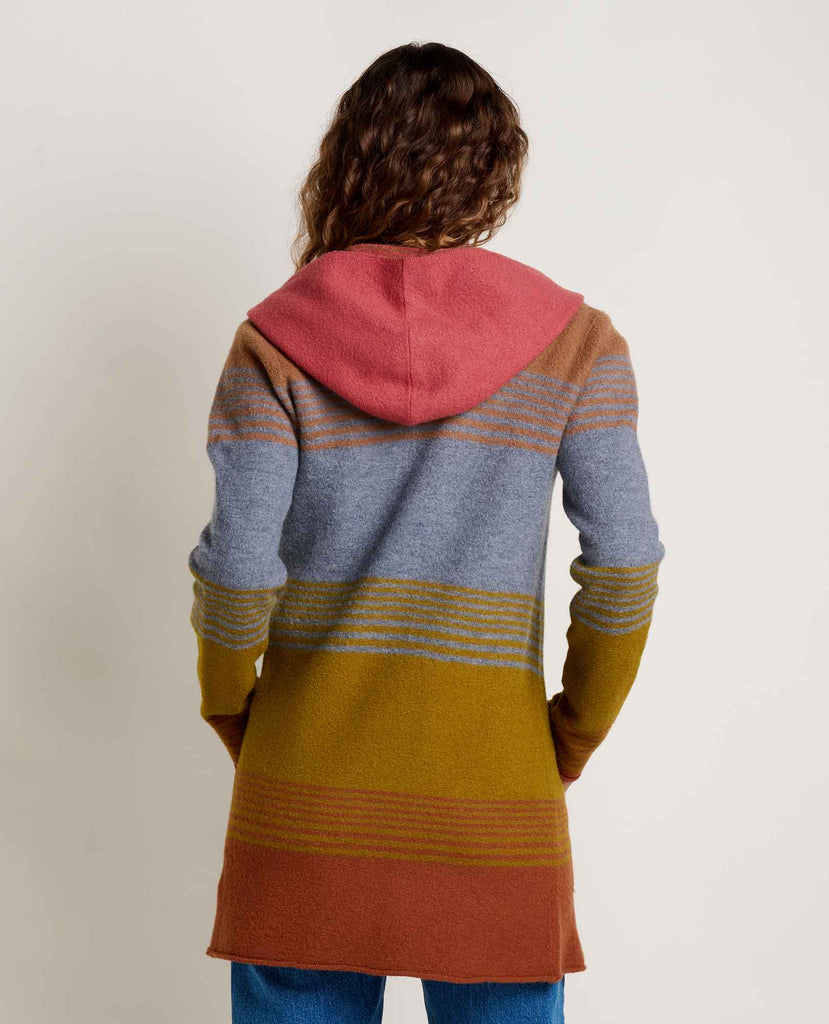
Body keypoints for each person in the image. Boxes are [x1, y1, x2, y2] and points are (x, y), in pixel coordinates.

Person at [187, 40, 665, 1024]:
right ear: (492, 175)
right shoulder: (578, 346)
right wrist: (566, 737)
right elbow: (624, 563)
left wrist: (234, 711)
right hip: (496, 808)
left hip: (303, 798)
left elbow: (237, 569)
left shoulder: (272, 341)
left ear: (347, 164)